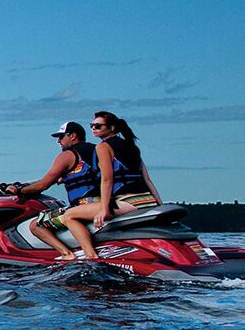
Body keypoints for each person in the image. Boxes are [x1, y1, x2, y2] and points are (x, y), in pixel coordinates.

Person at [52, 111, 162, 258]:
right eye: (92, 125)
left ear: (112, 127)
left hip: (127, 201)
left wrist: (104, 210)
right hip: (147, 199)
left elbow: (107, 179)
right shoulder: (132, 146)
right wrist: (159, 203)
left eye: (98, 126)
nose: (93, 128)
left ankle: (90, 256)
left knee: (69, 215)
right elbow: (147, 179)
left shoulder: (103, 147)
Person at [2, 120, 99, 260]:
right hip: (101, 202)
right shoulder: (97, 150)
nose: (58, 141)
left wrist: (19, 191)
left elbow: (43, 185)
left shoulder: (68, 155)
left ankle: (67, 255)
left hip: (84, 205)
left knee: (35, 225)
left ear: (72, 136)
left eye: (61, 137)